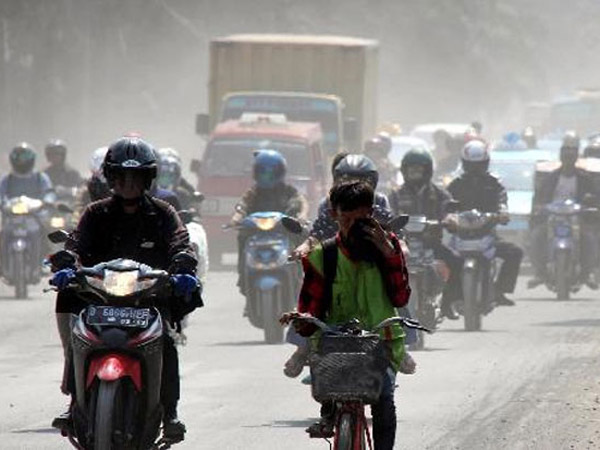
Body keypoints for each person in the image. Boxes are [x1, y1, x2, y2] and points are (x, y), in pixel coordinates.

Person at [51, 136, 202, 441]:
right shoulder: (95, 213)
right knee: (76, 337)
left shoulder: (164, 213)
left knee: (167, 344)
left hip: (147, 298)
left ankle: (170, 413)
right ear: (111, 178)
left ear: (148, 179)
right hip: (98, 295)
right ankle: (74, 402)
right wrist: (67, 262)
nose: (128, 183)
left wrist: (184, 265)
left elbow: (180, 244)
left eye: (136, 177)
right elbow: (76, 244)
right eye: (121, 176)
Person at [291, 180, 411, 450]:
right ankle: (330, 415)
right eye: (346, 218)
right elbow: (312, 304)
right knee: (328, 393)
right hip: (337, 342)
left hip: (382, 339)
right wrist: (302, 320)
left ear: (371, 214)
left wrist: (389, 255)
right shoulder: (324, 254)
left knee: (384, 400)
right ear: (334, 215)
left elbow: (401, 298)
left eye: (361, 218)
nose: (353, 225)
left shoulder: (389, 246)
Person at [447, 140, 523, 306]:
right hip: (460, 235)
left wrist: (503, 213)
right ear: (465, 164)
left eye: (479, 165)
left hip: (487, 234)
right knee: (443, 258)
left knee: (515, 252)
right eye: (471, 165)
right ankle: (449, 297)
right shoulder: (456, 183)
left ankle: (500, 291)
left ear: (486, 163)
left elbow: (502, 200)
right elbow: (446, 203)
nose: (475, 170)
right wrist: (446, 216)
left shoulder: (495, 183)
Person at [389, 148, 463, 319]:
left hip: (431, 243)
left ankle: (448, 304)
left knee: (457, 262)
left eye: (419, 169)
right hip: (403, 245)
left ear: (427, 170)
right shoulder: (396, 194)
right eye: (411, 169)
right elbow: (386, 213)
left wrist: (451, 219)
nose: (415, 173)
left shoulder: (438, 193)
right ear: (404, 170)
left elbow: (450, 208)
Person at [229, 149, 309, 297]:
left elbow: (301, 201)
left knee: (301, 239)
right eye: (263, 172)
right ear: (256, 173)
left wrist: (302, 215)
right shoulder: (254, 192)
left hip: (283, 230)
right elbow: (243, 205)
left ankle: (301, 275)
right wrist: (237, 217)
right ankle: (243, 277)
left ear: (280, 172)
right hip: (256, 231)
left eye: (272, 172)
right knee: (242, 237)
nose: (267, 176)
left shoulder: (288, 190)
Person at [528, 133, 599, 289]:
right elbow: (538, 198)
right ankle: (540, 272)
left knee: (590, 239)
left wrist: (591, 206)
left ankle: (587, 273)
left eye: (571, 155)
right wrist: (539, 208)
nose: (568, 159)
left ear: (576, 157)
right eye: (565, 155)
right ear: (561, 156)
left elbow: (595, 198)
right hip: (552, 220)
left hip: (578, 221)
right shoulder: (550, 178)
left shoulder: (585, 179)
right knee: (536, 237)